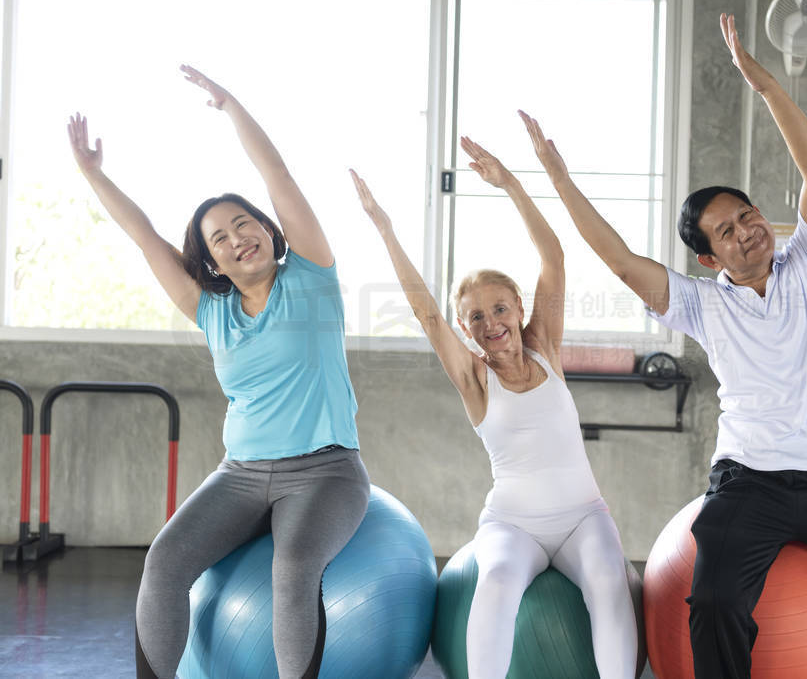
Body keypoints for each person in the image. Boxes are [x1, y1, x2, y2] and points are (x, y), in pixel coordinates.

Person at [520, 14, 807, 679]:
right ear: (706, 254)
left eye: (748, 216)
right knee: (716, 601)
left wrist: (768, 88)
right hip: (750, 486)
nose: (747, 231)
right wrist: (557, 175)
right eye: (727, 230)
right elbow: (614, 257)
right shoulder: (701, 302)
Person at [67, 66, 370, 679]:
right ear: (210, 260)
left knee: (292, 571)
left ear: (268, 230)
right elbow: (144, 236)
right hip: (239, 475)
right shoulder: (211, 311)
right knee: (165, 560)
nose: (237, 239)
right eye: (220, 239)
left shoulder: (310, 278)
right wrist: (94, 176)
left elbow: (276, 175)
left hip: (326, 472)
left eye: (244, 225)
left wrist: (232, 107)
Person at [350, 135, 637, 679]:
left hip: (584, 517)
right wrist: (385, 228)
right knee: (498, 580)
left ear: (519, 308)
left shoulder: (545, 346)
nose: (491, 323)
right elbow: (424, 310)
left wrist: (511, 185)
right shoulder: (474, 379)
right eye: (475, 318)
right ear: (466, 328)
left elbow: (553, 255)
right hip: (513, 524)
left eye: (499, 308)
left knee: (608, 579)